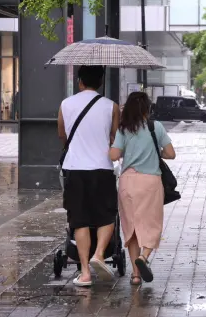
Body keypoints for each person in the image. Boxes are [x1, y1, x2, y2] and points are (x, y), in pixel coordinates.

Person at [58, 65, 120, 287]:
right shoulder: (111, 106)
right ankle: (100, 254)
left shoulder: (66, 104)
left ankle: (84, 272)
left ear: (80, 81)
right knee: (106, 215)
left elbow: (62, 134)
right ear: (101, 82)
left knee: (80, 219)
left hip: (75, 168)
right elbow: (115, 137)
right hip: (102, 168)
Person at [110, 92, 176, 285]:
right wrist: (155, 153)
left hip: (128, 182)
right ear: (147, 108)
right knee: (152, 224)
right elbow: (171, 154)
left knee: (131, 228)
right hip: (150, 183)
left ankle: (136, 275)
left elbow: (114, 156)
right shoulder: (156, 127)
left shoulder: (124, 129)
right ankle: (144, 257)